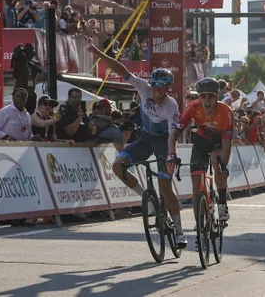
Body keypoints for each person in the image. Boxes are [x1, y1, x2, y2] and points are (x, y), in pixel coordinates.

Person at [88, 44, 185, 248]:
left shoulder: (171, 106)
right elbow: (121, 70)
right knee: (117, 166)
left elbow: (173, 135)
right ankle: (146, 199)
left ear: (168, 88)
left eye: (161, 88)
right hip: (145, 139)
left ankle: (179, 231)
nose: (157, 91)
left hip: (163, 143)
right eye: (155, 87)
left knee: (165, 187)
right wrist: (99, 54)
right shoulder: (143, 88)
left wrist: (170, 156)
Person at [167, 78, 234, 241]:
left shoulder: (226, 111)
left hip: (220, 141)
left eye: (210, 96)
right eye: (202, 96)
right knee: (197, 185)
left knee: (217, 163)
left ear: (217, 96)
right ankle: (199, 223)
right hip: (202, 141)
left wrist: (223, 166)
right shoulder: (193, 107)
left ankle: (222, 203)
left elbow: (227, 145)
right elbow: (174, 134)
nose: (206, 100)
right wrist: (171, 154)